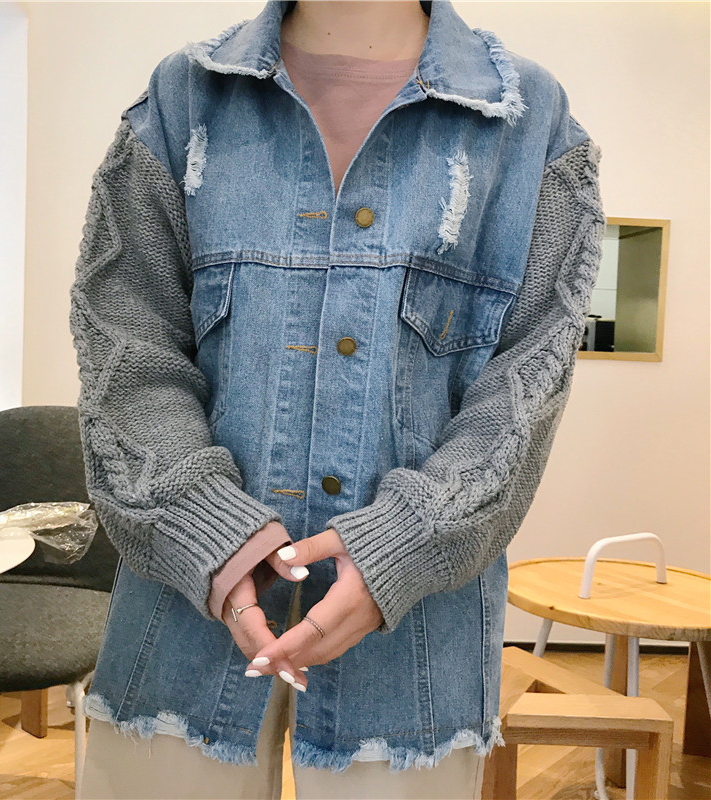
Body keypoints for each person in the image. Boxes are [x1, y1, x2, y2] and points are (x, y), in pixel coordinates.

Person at [69, 1, 605, 797]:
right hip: (181, 622)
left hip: (415, 647)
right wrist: (207, 532)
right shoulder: (184, 99)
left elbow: (527, 384)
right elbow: (125, 349)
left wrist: (409, 540)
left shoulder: (529, 124)